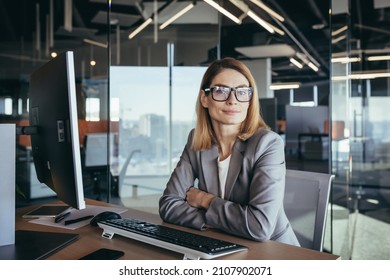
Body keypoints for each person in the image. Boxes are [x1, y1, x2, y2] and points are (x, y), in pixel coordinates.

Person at [159, 57, 299, 246]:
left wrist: (205, 200)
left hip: (272, 251)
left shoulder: (267, 143)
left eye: (242, 92)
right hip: (221, 244)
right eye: (221, 91)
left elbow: (259, 226)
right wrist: (223, 222)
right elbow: (169, 205)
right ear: (205, 98)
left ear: (250, 100)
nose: (233, 101)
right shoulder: (197, 140)